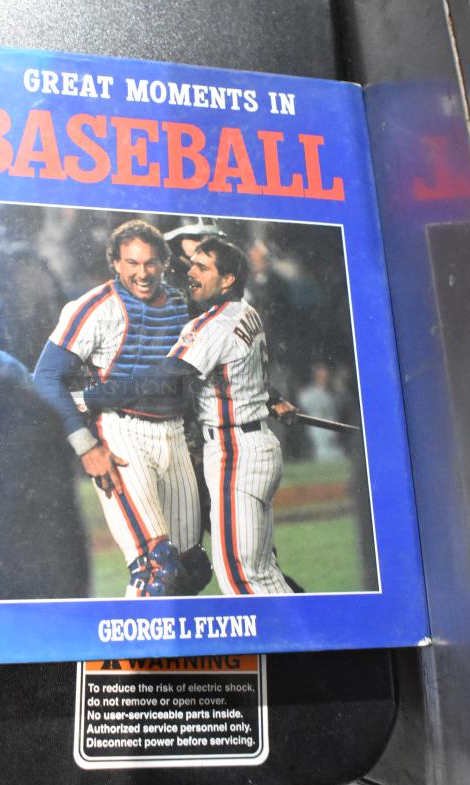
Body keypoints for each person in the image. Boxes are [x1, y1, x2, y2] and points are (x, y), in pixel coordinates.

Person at [83, 236, 296, 596]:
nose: (190, 272)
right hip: (256, 443)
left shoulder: (212, 326)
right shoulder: (247, 312)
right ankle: (299, 645)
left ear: (227, 280)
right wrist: (271, 398)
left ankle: (288, 649)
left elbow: (164, 377)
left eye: (202, 266)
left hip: (234, 450)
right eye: (191, 264)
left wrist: (92, 397)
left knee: (242, 578)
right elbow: (241, 371)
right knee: (262, 572)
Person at [32, 220, 209, 597]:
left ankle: (176, 657)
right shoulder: (95, 306)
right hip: (121, 435)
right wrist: (87, 447)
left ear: (163, 262)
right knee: (158, 569)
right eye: (131, 263)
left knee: (191, 569)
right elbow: (46, 377)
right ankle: (132, 657)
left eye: (149, 263)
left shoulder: (181, 304)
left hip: (173, 434)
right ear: (115, 262)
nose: (141, 273)